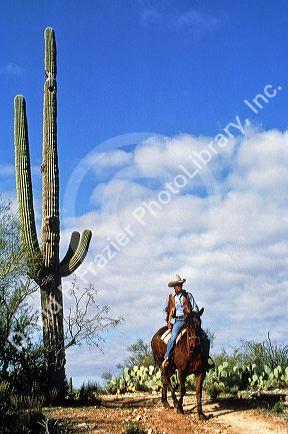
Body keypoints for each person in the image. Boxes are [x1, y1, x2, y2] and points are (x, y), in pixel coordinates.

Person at [162, 274, 211, 370]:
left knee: (205, 337)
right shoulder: (170, 297)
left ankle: (206, 359)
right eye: (177, 285)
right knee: (172, 338)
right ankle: (167, 358)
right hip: (178, 321)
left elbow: (195, 307)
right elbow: (165, 310)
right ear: (174, 287)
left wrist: (193, 315)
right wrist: (168, 321)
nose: (179, 286)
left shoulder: (188, 295)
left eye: (180, 284)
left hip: (189, 320)